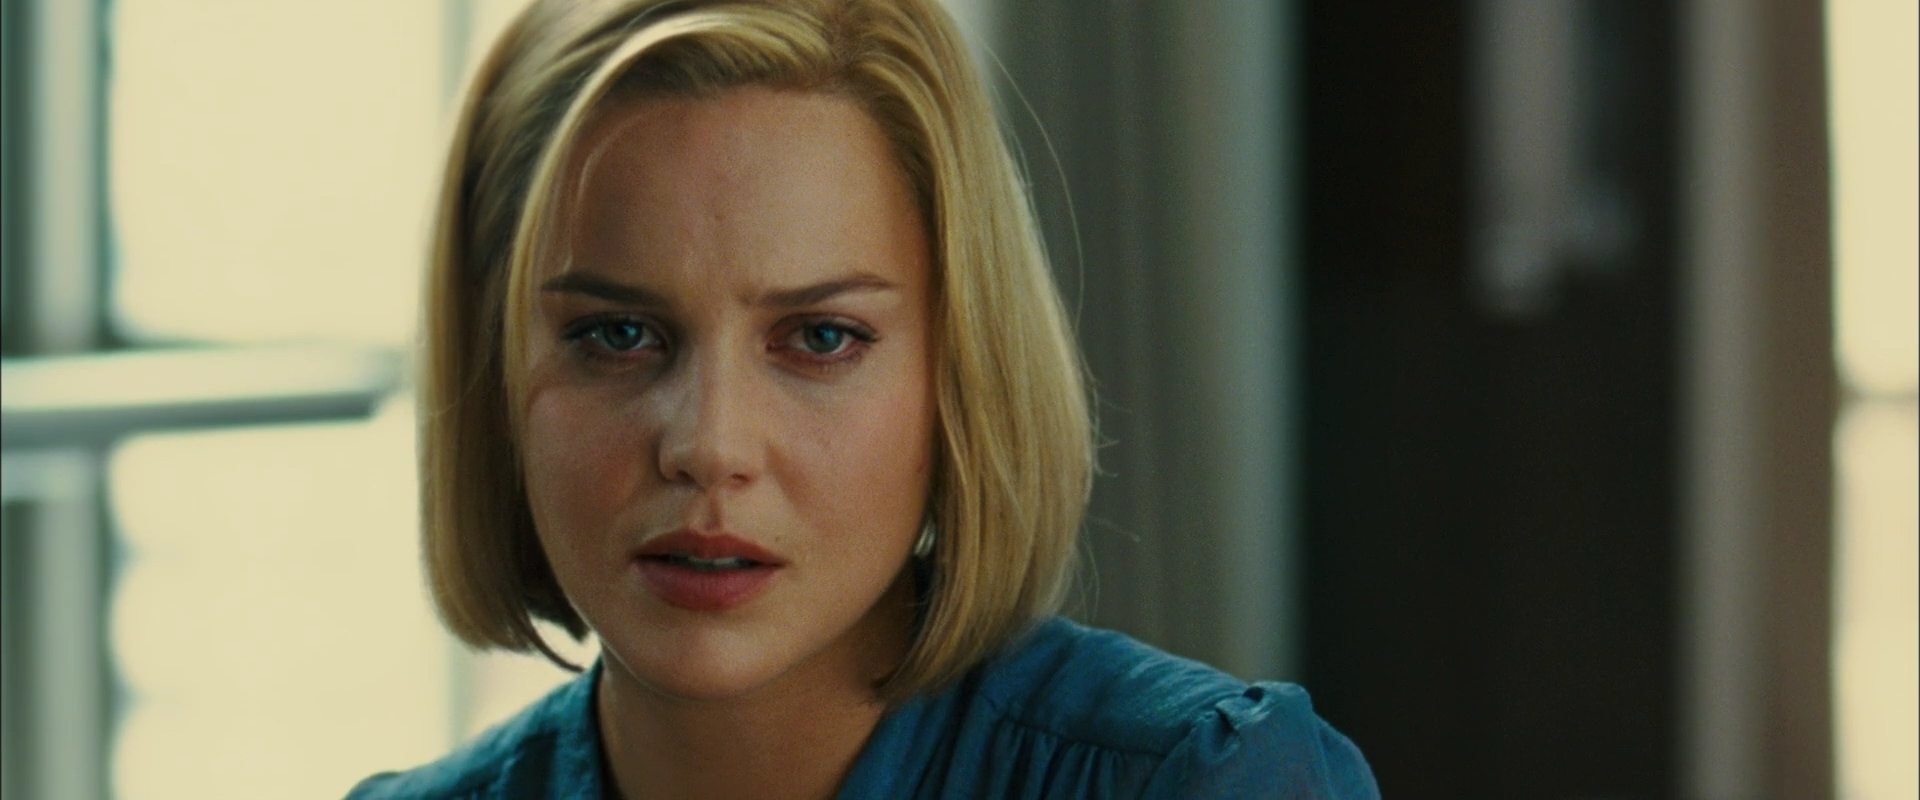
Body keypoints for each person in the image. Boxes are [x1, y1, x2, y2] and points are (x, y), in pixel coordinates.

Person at [348, 0, 1377, 797]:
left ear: (959, 370)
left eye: (820, 338)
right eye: (616, 335)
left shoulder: (1200, 784)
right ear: (492, 375)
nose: (710, 445)